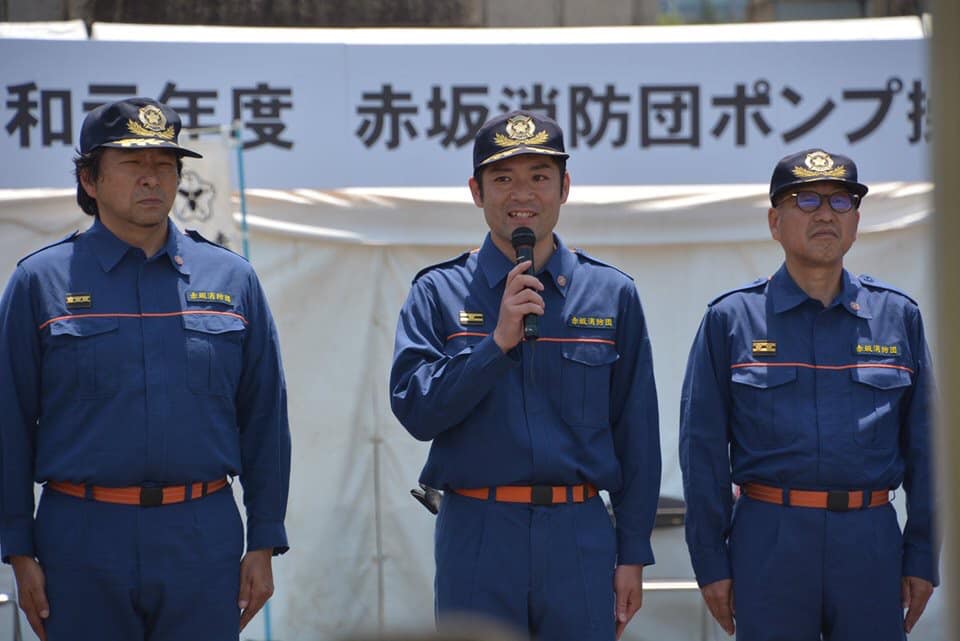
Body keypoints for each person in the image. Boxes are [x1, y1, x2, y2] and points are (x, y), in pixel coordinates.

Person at [0, 97, 291, 641]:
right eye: (133, 163)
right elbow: (8, 423)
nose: (152, 178)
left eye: (165, 165)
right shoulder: (40, 282)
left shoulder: (232, 279)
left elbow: (265, 419)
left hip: (201, 534)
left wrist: (264, 538)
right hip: (81, 538)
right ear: (89, 179)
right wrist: (17, 549)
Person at [390, 110, 661, 641]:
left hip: (579, 533)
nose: (523, 194)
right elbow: (417, 412)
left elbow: (637, 436)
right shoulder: (437, 292)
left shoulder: (611, 294)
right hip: (478, 530)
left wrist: (633, 552)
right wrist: (494, 345)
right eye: (503, 179)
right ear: (476, 191)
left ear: (565, 187)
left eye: (539, 176)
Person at [680, 148, 937, 640]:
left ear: (856, 221)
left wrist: (923, 555)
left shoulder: (897, 317)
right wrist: (710, 561)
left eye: (841, 201)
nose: (825, 214)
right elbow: (702, 451)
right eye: (806, 200)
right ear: (774, 222)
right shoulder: (731, 319)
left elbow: (929, 450)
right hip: (769, 538)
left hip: (869, 540)